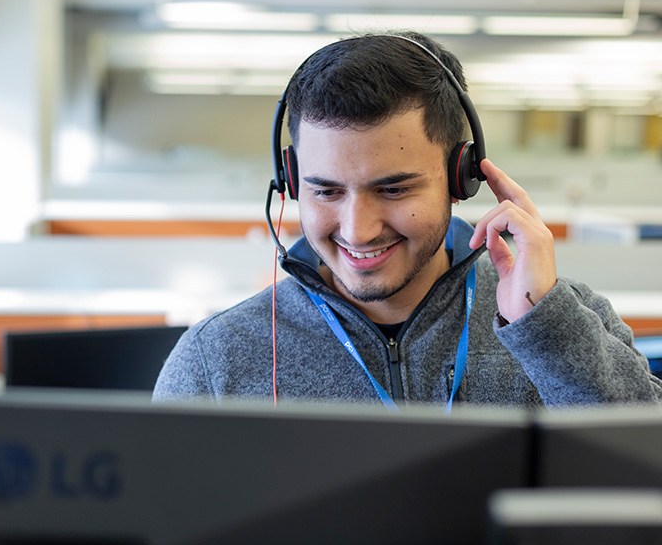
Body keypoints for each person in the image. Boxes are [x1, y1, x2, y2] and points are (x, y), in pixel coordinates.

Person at [153, 31, 662, 409]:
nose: (358, 229)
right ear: (290, 181)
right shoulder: (216, 361)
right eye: (326, 190)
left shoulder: (564, 321)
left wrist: (542, 328)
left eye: (393, 189)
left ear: (460, 176)